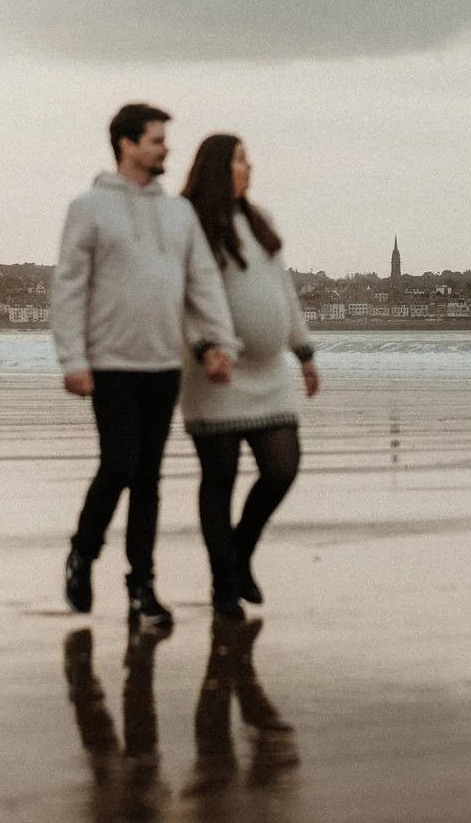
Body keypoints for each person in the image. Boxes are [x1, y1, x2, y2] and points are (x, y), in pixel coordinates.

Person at [53, 103, 238, 631]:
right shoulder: (88, 208)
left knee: (149, 480)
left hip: (164, 363)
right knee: (119, 466)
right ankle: (83, 554)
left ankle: (142, 590)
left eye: (164, 140)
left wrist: (219, 341)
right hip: (110, 362)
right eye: (156, 140)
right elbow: (68, 289)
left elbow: (202, 281)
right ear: (127, 144)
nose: (165, 149)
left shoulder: (178, 214)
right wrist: (73, 359)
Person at [175, 133, 319, 623]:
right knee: (220, 479)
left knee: (282, 467)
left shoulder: (261, 224)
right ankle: (223, 587)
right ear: (218, 168)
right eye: (240, 160)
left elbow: (285, 290)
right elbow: (184, 296)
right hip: (215, 371)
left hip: (269, 373)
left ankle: (239, 554)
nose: (249, 167)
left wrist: (303, 351)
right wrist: (205, 346)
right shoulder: (189, 224)